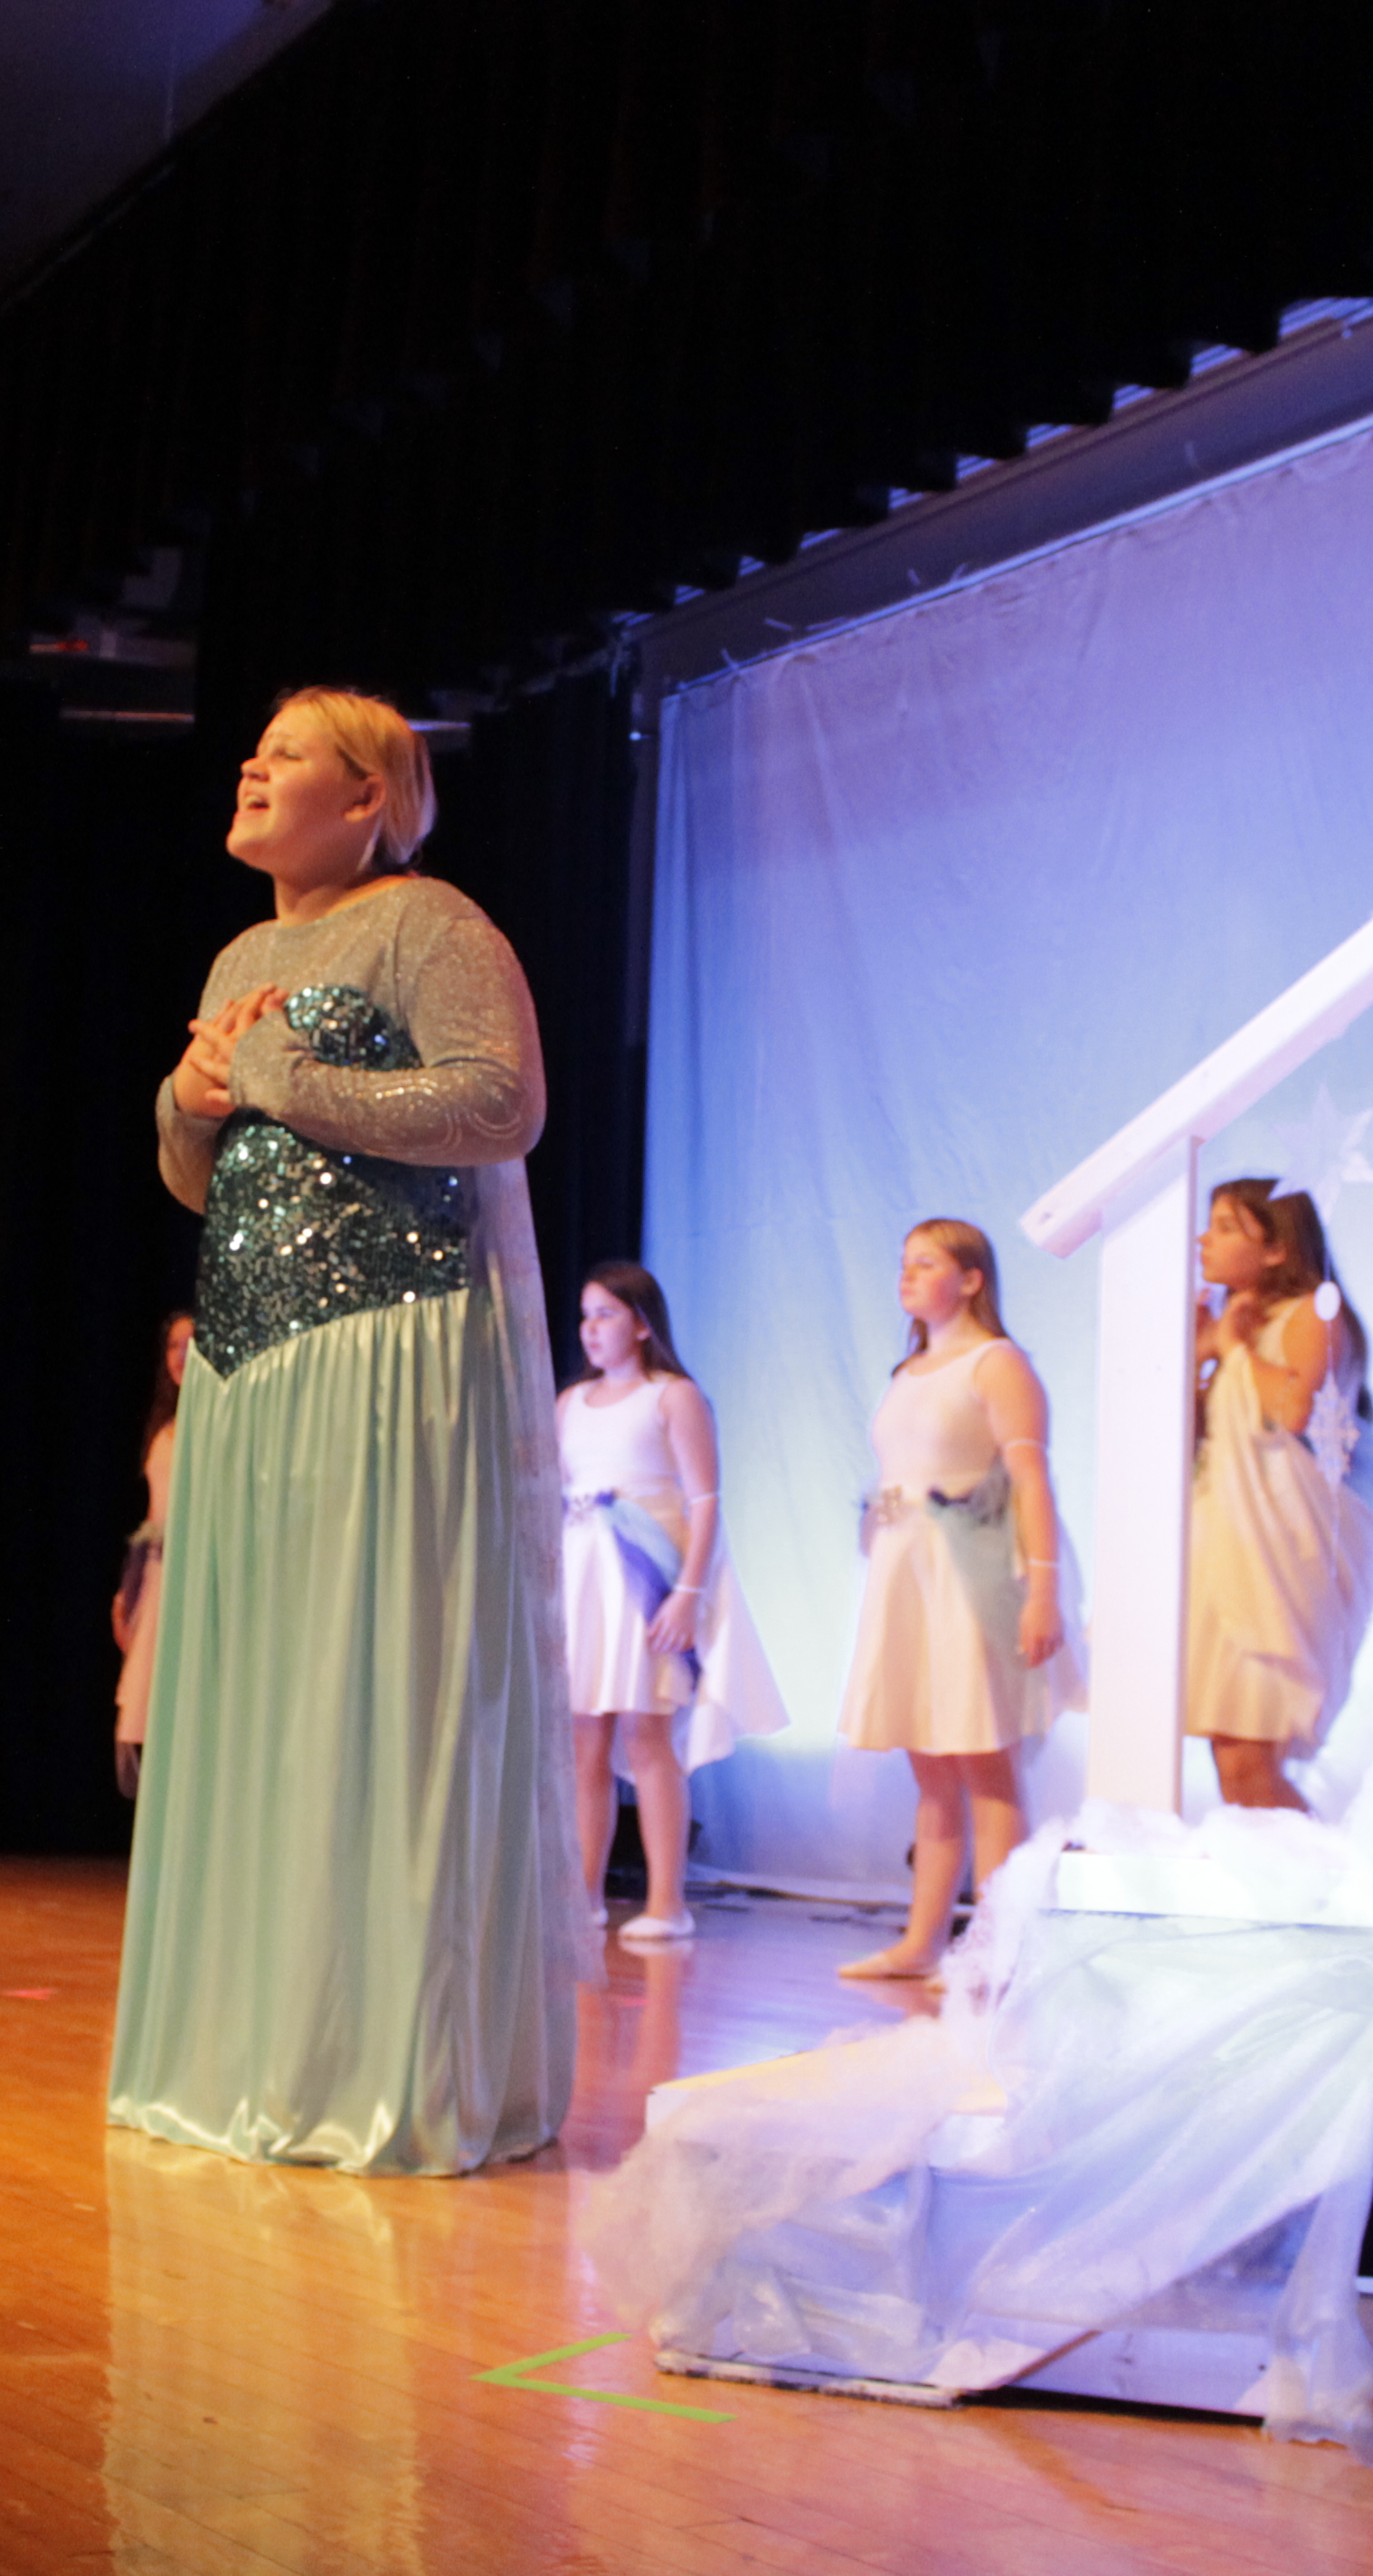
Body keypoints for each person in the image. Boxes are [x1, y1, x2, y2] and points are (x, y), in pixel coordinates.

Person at [106, 686, 574, 2175]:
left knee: (369, 1683)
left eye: (291, 750)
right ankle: (252, 2043)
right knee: (257, 1693)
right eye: (255, 747)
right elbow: (209, 1175)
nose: (253, 764)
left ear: (370, 796)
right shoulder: (242, 950)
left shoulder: (427, 921)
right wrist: (187, 1106)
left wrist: (277, 1079)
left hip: (387, 1349)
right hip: (250, 1363)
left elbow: (502, 1103)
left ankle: (380, 2058)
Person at [837, 1217, 1068, 1980]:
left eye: (925, 1263)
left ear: (970, 1278)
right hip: (907, 1575)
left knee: (981, 1759)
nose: (905, 1276)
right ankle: (920, 1940)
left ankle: (1000, 1948)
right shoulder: (907, 1372)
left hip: (968, 1576)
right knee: (930, 1765)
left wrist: (1043, 1589)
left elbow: (1030, 1479)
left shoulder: (997, 1364)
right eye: (903, 1262)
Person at [560, 1261, 786, 1946]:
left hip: (646, 1577)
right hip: (583, 1577)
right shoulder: (569, 1403)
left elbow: (705, 1500)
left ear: (641, 1321)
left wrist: (688, 1593)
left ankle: (667, 1902)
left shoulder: (672, 1395)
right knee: (582, 1741)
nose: (591, 1328)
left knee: (646, 1733)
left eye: (605, 1314)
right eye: (585, 1315)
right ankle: (583, 1899)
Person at [1186, 1178, 1373, 1814]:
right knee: (1234, 1753)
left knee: (1251, 1756)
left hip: (1283, 1552)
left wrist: (1236, 1348)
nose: (1203, 1239)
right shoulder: (1237, 1325)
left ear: (1276, 1248)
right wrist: (1195, 1363)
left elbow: (1295, 1412)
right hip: (1227, 1547)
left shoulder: (1314, 1316)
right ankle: (1280, 1892)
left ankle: (1312, 1897)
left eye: (1224, 1226)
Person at [109, 1310, 194, 1799]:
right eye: (172, 1346)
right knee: (145, 1713)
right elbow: (150, 1520)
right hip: (158, 1580)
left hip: (191, 1580)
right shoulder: (164, 1429)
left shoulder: (217, 1426)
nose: (180, 1356)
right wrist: (129, 1591)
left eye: (191, 1344)